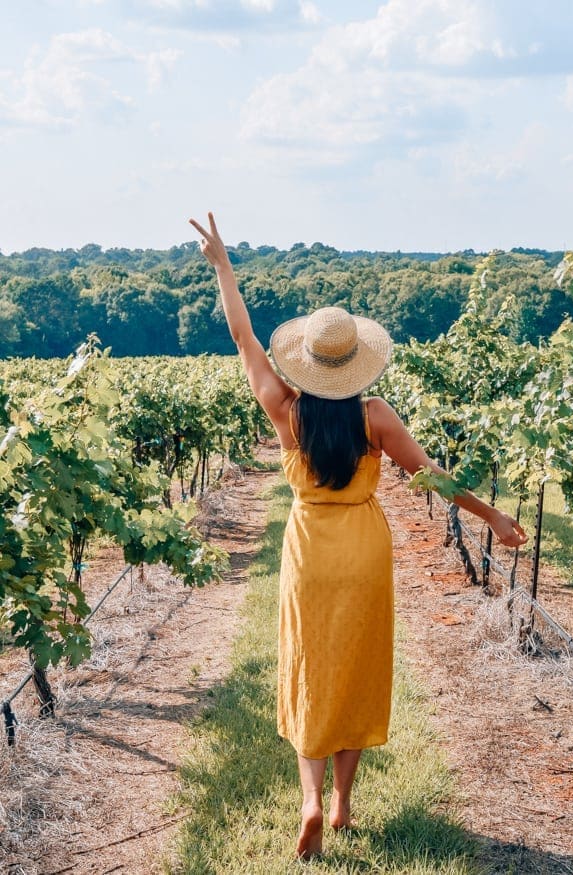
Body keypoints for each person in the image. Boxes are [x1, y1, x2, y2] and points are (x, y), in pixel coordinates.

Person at [189, 212, 528, 860]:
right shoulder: (375, 415)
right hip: (364, 551)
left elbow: (241, 335)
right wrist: (493, 518)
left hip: (310, 549)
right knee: (357, 667)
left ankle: (311, 800)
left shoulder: (285, 411)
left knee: (310, 667)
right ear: (355, 363)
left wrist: (223, 266)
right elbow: (433, 479)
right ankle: (344, 804)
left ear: (307, 360)